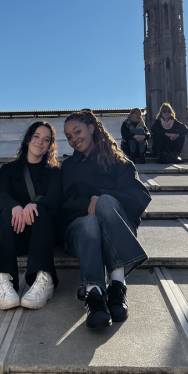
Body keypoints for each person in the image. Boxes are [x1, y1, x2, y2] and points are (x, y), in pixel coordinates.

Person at [62, 110, 151, 330]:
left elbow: (140, 198)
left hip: (117, 226)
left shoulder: (118, 162)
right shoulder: (67, 167)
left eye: (77, 132)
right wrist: (87, 206)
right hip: (80, 231)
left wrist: (100, 196)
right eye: (69, 136)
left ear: (91, 128)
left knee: (104, 202)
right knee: (90, 222)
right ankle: (95, 294)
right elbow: (61, 204)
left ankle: (116, 284)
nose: (74, 139)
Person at [0, 121, 61, 311]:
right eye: (36, 136)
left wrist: (33, 205)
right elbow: (1, 194)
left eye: (46, 140)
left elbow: (54, 199)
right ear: (28, 139)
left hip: (41, 235)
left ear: (49, 146)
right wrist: (15, 207)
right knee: (5, 215)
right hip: (13, 234)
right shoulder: (8, 169)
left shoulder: (54, 173)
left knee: (41, 211)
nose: (40, 142)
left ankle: (44, 278)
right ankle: (4, 280)